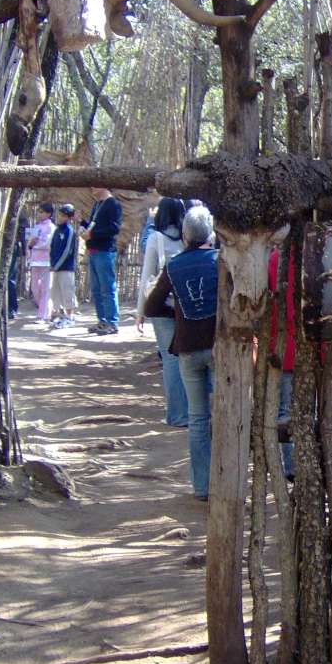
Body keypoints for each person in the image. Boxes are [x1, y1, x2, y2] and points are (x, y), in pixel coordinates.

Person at [145, 206, 218, 501]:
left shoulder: (173, 266)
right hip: (218, 347)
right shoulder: (220, 262)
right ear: (211, 234)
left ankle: (202, 487)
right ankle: (226, 481)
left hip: (187, 350)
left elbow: (151, 308)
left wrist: (177, 313)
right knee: (225, 414)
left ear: (185, 234)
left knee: (198, 418)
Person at [135, 198, 189, 427]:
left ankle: (177, 414)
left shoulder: (156, 238)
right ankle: (193, 411)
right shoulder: (190, 237)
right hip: (186, 306)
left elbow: (147, 275)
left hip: (163, 307)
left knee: (170, 360)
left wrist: (140, 313)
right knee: (187, 358)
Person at [76, 186, 122, 336]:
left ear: (104, 186)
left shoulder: (113, 204)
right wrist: (82, 222)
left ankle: (112, 322)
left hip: (105, 251)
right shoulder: (97, 204)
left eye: (95, 185)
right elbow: (93, 227)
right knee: (96, 288)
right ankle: (102, 320)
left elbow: (114, 228)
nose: (92, 188)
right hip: (94, 251)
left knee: (107, 287)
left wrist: (92, 235)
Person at [268, 246, 296, 480]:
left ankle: (293, 466)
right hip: (316, 347)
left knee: (286, 409)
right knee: (311, 408)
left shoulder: (276, 259)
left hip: (285, 346)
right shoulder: (324, 250)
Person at [48, 204, 78, 328]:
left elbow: (66, 251)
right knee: (56, 292)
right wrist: (52, 264)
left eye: (64, 216)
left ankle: (70, 317)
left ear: (70, 218)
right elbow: (52, 248)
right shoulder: (57, 230)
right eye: (60, 215)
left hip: (65, 267)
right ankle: (61, 316)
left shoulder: (69, 231)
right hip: (55, 267)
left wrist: (57, 265)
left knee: (67, 291)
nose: (61, 218)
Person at [27, 202, 55, 323]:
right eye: (39, 212)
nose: (39, 214)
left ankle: (43, 315)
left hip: (45, 261)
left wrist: (34, 244)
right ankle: (47, 310)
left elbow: (46, 243)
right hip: (34, 261)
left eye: (42, 212)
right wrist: (31, 244)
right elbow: (29, 241)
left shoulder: (51, 227)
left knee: (45, 288)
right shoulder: (36, 226)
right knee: (34, 287)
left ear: (49, 214)